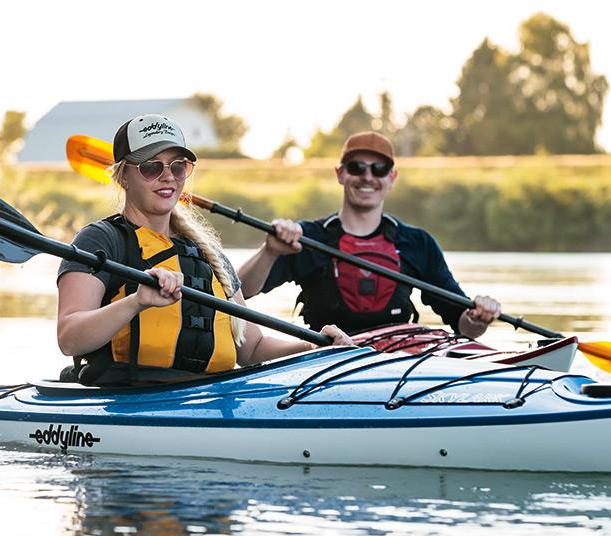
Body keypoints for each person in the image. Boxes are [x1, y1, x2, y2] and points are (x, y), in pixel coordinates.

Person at [56, 114, 352, 384]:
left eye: (178, 167)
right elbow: (69, 338)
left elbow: (252, 349)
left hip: (210, 399)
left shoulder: (206, 253)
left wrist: (313, 345)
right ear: (123, 176)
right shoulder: (100, 240)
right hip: (128, 400)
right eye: (151, 167)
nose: (168, 176)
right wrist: (136, 301)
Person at [238, 131, 501, 339]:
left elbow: (465, 327)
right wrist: (270, 251)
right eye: (356, 167)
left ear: (392, 177)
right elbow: (239, 292)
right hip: (323, 363)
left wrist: (479, 318)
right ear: (340, 174)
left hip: (397, 365)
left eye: (379, 169)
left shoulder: (417, 243)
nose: (367, 176)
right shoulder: (307, 237)